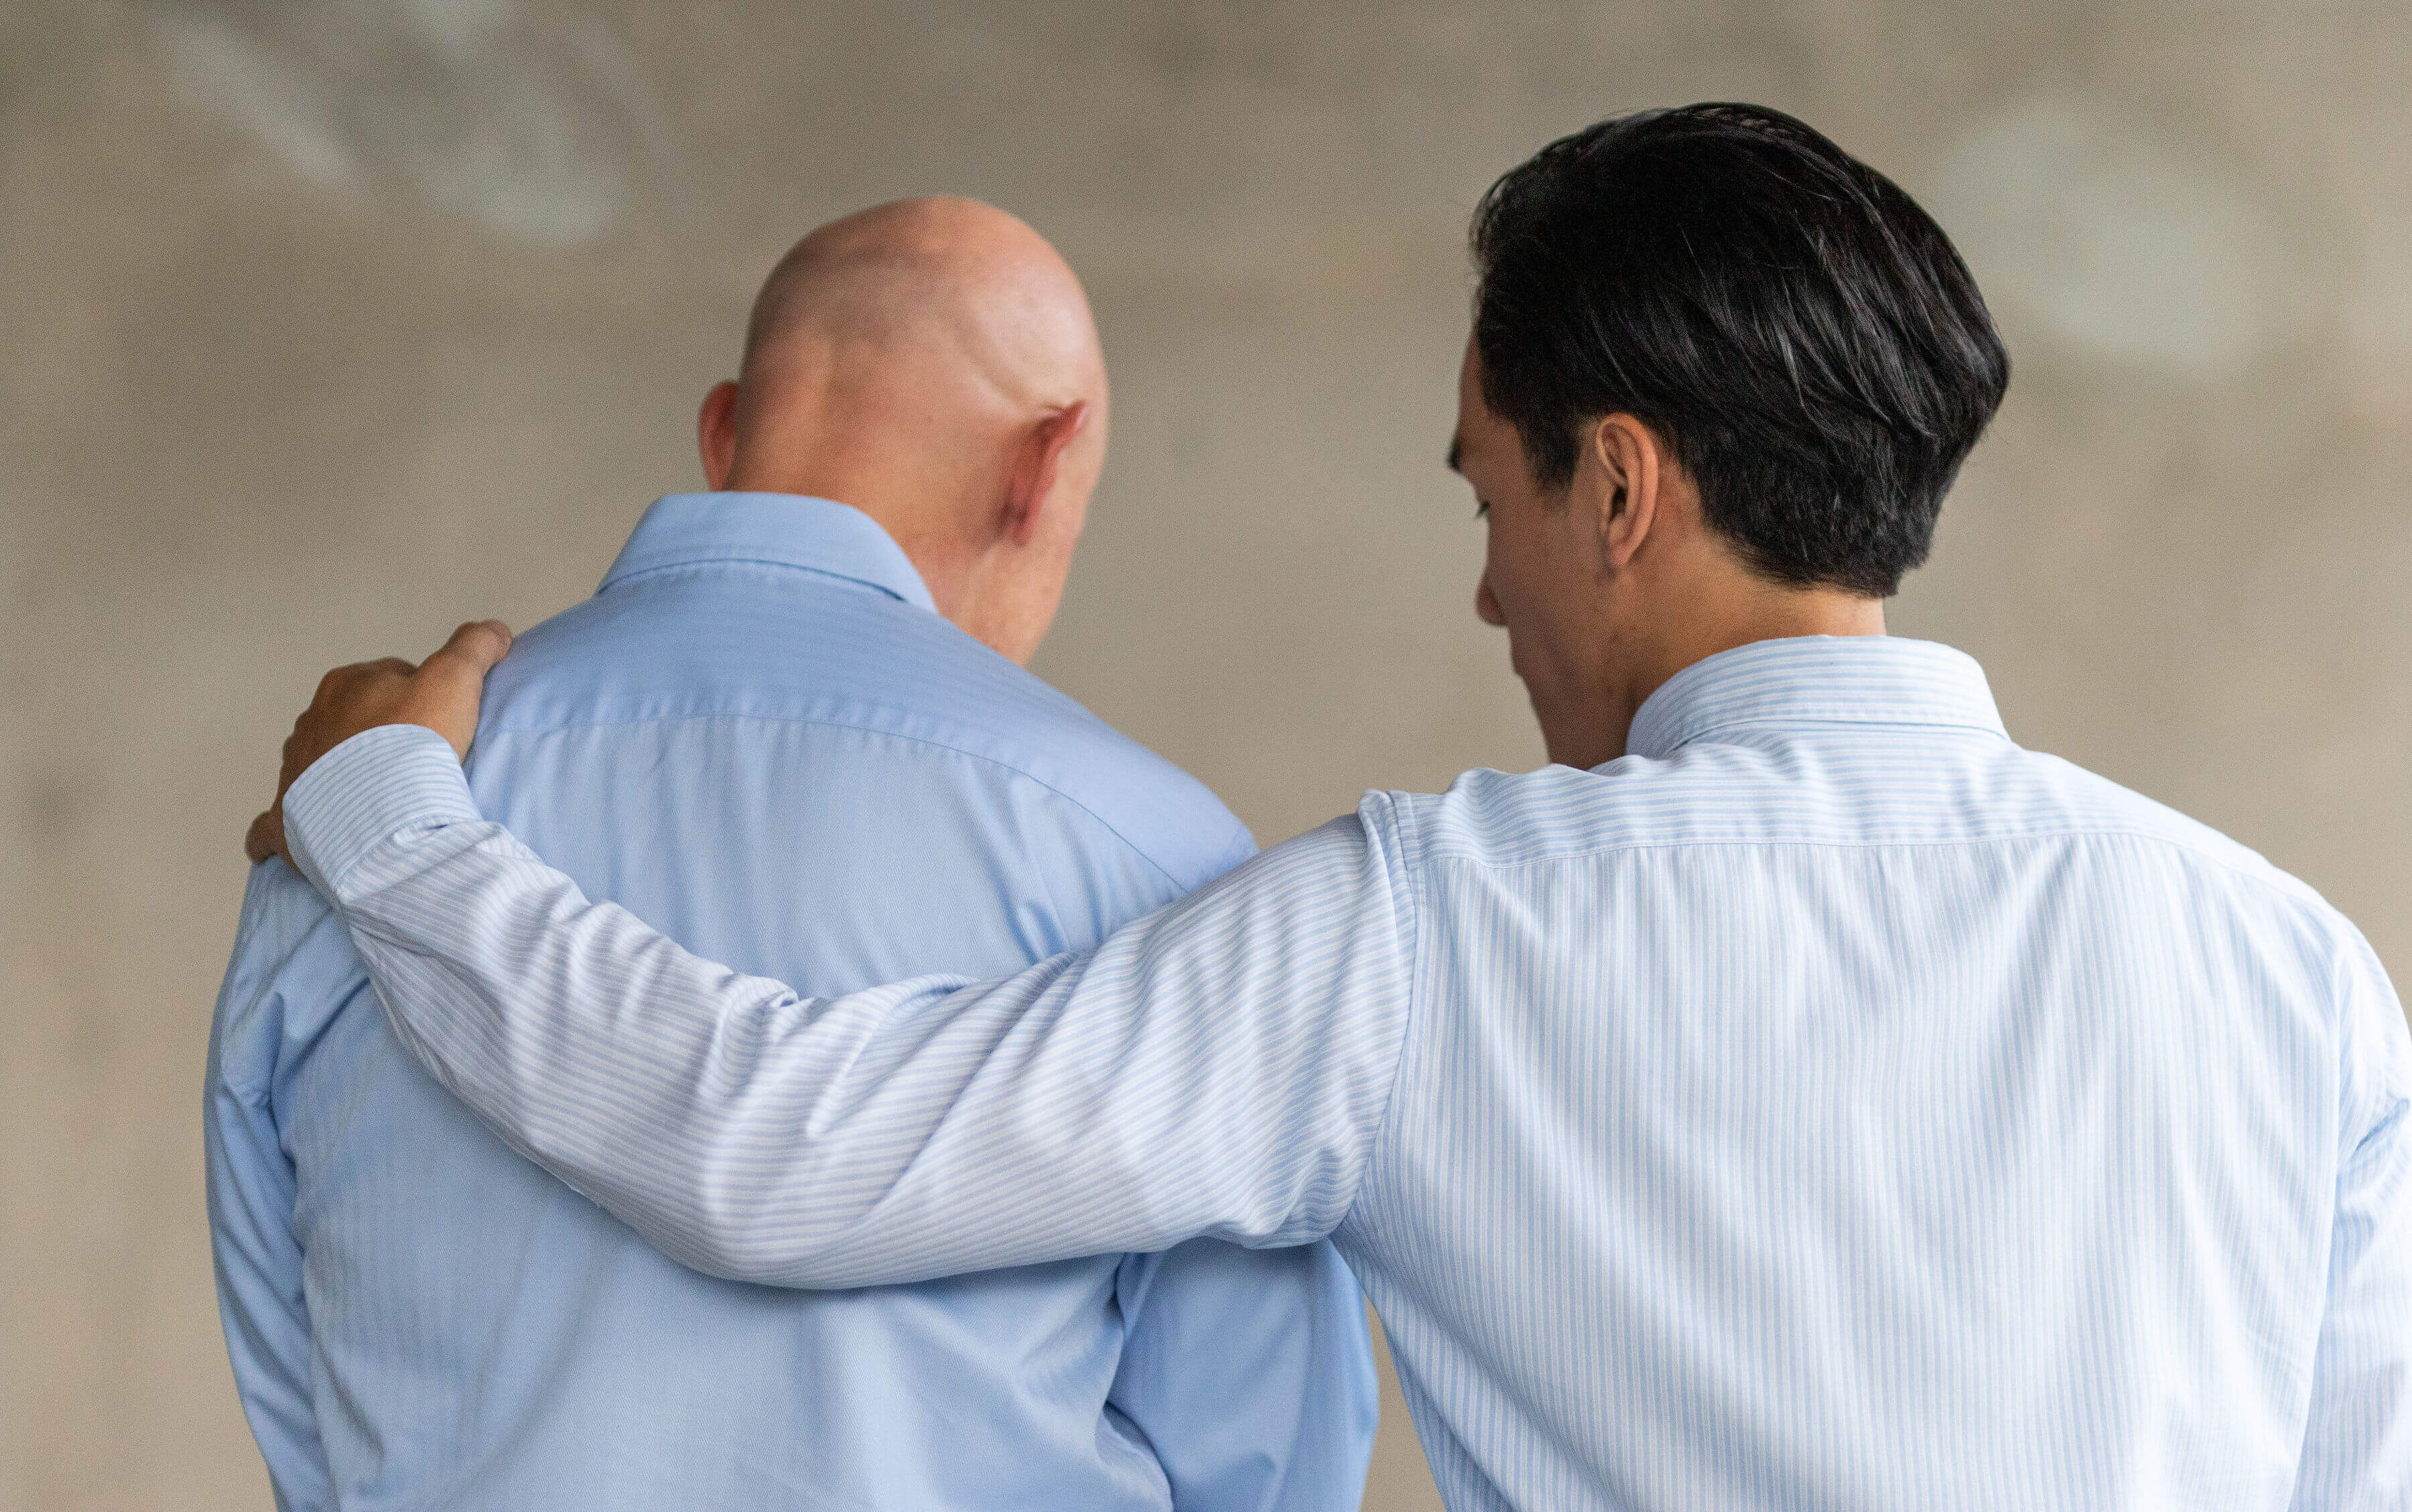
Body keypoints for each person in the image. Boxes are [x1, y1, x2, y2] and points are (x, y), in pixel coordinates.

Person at [252, 105, 2412, 1510]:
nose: (1486, 584)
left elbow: (776, 1148)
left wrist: (398, 826)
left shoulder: (1436, 928)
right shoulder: (2292, 965)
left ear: (1623, 487)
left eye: (1491, 493)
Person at [207, 197, 1377, 1512]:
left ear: (724, 434)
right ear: (1046, 468)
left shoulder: (345, 812)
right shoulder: (1156, 863)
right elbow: (1263, 1462)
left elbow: (296, 1387)